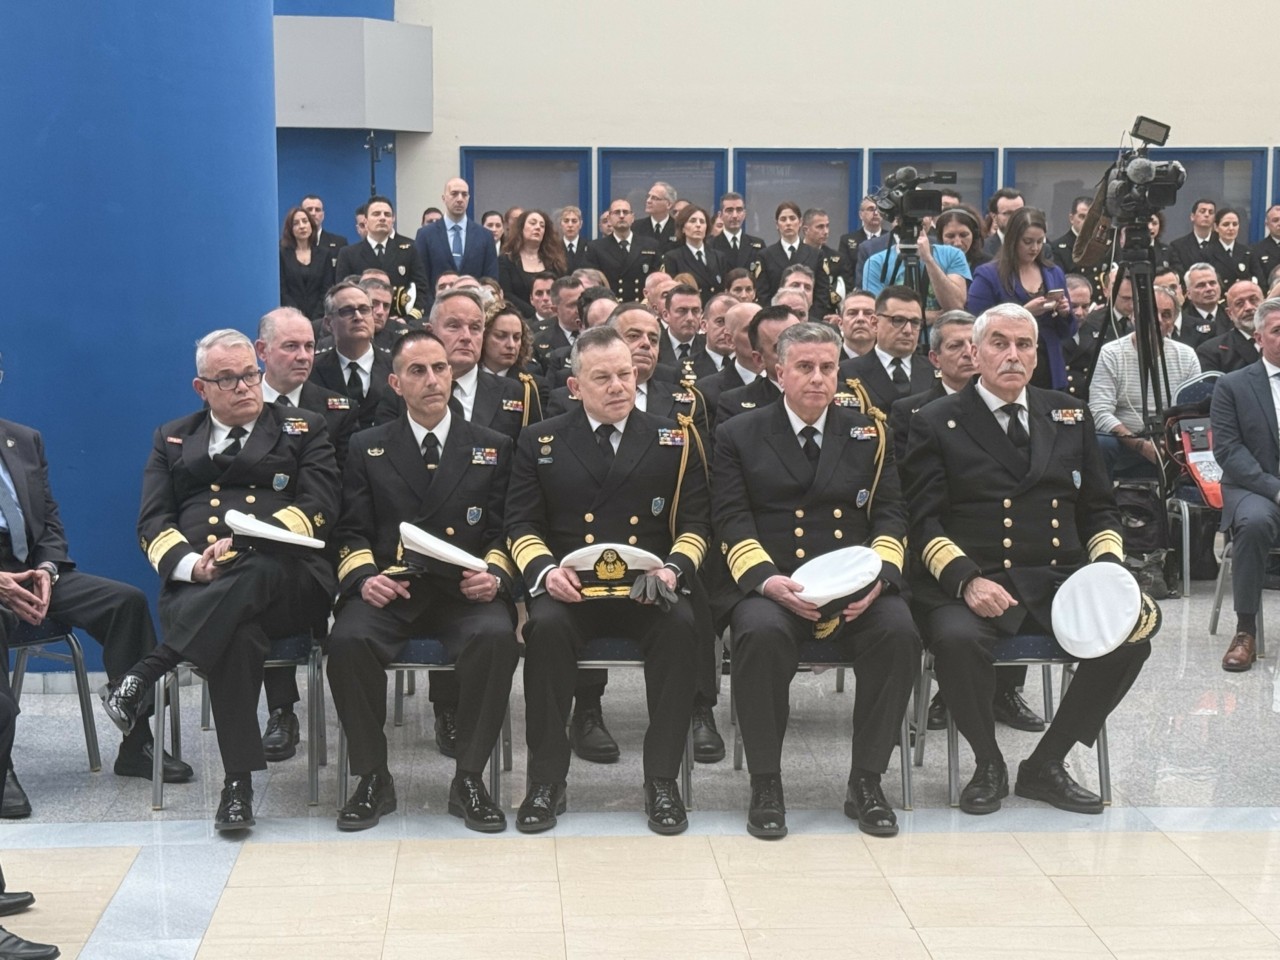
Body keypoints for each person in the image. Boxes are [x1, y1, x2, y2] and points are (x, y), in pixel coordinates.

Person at [902, 303, 1152, 816]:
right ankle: (988, 762)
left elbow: (1099, 509)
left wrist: (1106, 571)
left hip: (1057, 579)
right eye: (999, 343)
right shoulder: (936, 420)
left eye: (1024, 344)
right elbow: (922, 521)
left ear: (1037, 354)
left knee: (1132, 637)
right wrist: (966, 580)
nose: (1012, 355)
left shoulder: (1068, 413)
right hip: (973, 579)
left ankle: (1046, 762)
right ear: (975, 353)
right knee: (955, 640)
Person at [105, 329, 339, 831]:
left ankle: (149, 670)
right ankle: (237, 788)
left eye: (250, 374)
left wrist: (245, 543)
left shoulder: (303, 427)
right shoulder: (172, 437)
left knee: (258, 565)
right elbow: (152, 522)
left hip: (289, 582)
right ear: (201, 388)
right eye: (227, 379)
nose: (244, 387)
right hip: (202, 588)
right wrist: (195, 565)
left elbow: (320, 507)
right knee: (238, 634)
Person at [714, 321, 920, 838]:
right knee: (758, 634)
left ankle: (867, 780)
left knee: (899, 632)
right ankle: (766, 781)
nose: (817, 378)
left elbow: (890, 513)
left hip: (854, 585)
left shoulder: (868, 432)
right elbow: (731, 517)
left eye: (828, 368)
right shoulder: (739, 433)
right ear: (779, 371)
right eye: (804, 367)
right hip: (777, 582)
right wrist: (766, 580)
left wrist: (881, 578)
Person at [506, 325, 711, 834]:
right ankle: (546, 781)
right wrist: (545, 572)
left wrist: (672, 569)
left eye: (626, 374)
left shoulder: (674, 438)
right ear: (575, 387)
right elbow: (521, 524)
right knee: (544, 630)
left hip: (648, 588)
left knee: (682, 627)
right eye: (603, 378)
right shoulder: (540, 440)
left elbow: (696, 525)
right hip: (572, 589)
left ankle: (662, 780)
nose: (619, 386)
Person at [325, 331, 519, 831]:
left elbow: (505, 530)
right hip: (393, 588)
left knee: (497, 638)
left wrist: (495, 575)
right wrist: (364, 578)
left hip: (462, 591)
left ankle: (469, 778)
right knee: (346, 641)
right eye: (417, 371)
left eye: (440, 368)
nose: (432, 380)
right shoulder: (368, 446)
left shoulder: (492, 446)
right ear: (395, 383)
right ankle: (372, 777)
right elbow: (350, 530)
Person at [0, 404, 184, 814]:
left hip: (31, 567)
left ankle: (137, 742)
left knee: (125, 603)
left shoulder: (24, 439)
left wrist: (48, 568)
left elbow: (48, 520)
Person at [254, 306, 358, 759]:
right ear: (262, 351)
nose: (303, 356)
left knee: (282, 576)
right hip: (253, 542)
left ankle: (283, 707)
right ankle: (281, 710)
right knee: (261, 574)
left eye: (310, 346)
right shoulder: (237, 403)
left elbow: (343, 490)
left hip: (320, 541)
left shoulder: (335, 409)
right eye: (291, 346)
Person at [1210, 297, 1280, 672]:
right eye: (1277, 331)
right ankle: (1245, 631)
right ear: (1258, 337)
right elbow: (1228, 450)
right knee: (1254, 523)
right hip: (1253, 487)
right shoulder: (1233, 385)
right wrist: (1274, 488)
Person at [1089, 286, 1201, 480]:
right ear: (1134, 316)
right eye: (1151, 312)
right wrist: (1141, 445)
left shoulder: (1187, 355)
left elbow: (1193, 411)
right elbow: (1099, 411)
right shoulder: (1111, 353)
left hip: (1169, 441)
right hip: (1123, 440)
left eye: (1166, 315)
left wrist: (1168, 442)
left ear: (1173, 323)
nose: (1158, 320)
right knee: (1102, 442)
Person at [967, 207, 1074, 391]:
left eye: (1040, 241)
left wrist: (1065, 312)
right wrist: (1024, 312)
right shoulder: (988, 275)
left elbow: (1067, 332)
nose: (1035, 248)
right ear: (1013, 239)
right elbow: (976, 325)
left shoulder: (1053, 272)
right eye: (1028, 241)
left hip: (1049, 366)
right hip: (1006, 365)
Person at [309, 281, 393, 430]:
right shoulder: (312, 371)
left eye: (364, 309)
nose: (358, 317)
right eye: (347, 311)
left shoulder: (395, 367)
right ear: (328, 323)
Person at [838, 286, 937, 410]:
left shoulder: (935, 370)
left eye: (915, 322)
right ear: (875, 323)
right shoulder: (846, 372)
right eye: (898, 320)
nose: (908, 330)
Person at [335, 196, 429, 322]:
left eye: (387, 215)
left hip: (400, 322)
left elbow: (421, 288)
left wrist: (409, 318)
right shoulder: (348, 253)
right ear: (365, 221)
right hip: (362, 321)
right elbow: (343, 293)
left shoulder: (408, 250)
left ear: (393, 220)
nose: (383, 218)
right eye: (376, 214)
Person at [414, 178, 500, 302]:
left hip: (475, 306)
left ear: (468, 198)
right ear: (444, 198)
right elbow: (421, 278)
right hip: (437, 306)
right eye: (454, 194)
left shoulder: (484, 236)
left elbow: (490, 280)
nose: (460, 199)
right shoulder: (426, 235)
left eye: (464, 195)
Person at [860, 222, 970, 318]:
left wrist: (928, 259)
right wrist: (934, 316)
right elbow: (879, 316)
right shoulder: (876, 263)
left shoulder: (953, 254)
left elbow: (955, 307)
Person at [716, 305, 801, 423]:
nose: (798, 355)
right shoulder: (734, 403)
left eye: (801, 344)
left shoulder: (825, 394)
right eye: (781, 349)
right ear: (759, 359)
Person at [583, 199, 662, 302]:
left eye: (625, 212)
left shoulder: (650, 245)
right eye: (617, 212)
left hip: (641, 305)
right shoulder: (596, 248)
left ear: (632, 218)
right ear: (609, 218)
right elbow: (592, 284)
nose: (621, 216)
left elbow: (657, 282)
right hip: (610, 305)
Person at [697, 300, 762, 421]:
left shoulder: (784, 381)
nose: (758, 336)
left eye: (762, 329)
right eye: (749, 330)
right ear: (730, 340)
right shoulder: (706, 390)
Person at [499, 210, 567, 319]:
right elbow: (507, 294)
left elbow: (562, 291)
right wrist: (536, 315)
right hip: (519, 319)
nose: (538, 227)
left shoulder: (555, 262)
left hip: (552, 319)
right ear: (521, 228)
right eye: (533, 223)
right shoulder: (506, 261)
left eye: (542, 225)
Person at [753, 202, 824, 305]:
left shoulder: (816, 255)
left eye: (792, 218)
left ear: (800, 222)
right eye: (783, 219)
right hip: (776, 312)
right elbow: (763, 294)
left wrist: (807, 314)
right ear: (777, 225)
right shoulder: (765, 255)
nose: (788, 223)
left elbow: (822, 294)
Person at [662, 204, 726, 303]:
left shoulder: (718, 256)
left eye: (702, 222)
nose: (698, 225)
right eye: (692, 221)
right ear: (683, 228)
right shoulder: (673, 257)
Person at [1197, 280, 1265, 373]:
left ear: (1265, 304)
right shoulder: (1211, 351)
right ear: (1230, 313)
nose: (1248, 307)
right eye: (1239, 304)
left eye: (1253, 300)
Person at [279, 206, 333, 321]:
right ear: (290, 229)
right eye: (296, 223)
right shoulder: (282, 254)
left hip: (319, 318)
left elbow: (327, 289)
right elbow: (283, 291)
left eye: (305, 221)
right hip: (291, 317)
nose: (302, 226)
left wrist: (316, 317)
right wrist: (298, 316)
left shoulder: (324, 254)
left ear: (311, 225)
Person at [658, 283, 717, 381]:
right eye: (682, 311)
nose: (690, 318)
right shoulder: (654, 346)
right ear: (666, 315)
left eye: (695, 311)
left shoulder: (709, 346)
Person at [711, 192, 765, 271]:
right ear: (720, 215)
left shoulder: (758, 245)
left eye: (739, 210)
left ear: (744, 214)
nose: (735, 215)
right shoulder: (710, 246)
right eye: (729, 210)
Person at [1179, 262, 1227, 346]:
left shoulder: (1230, 314)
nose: (1209, 289)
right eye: (1201, 285)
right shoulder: (1183, 322)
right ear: (1188, 294)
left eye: (1212, 283)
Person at [1168, 198, 1218, 279]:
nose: (1207, 215)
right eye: (1202, 211)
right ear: (1192, 216)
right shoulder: (1178, 246)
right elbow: (1179, 274)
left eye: (1211, 212)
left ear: (1214, 218)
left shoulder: (1220, 242)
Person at [1205, 207, 1254, 290]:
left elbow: (1258, 279)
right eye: (1226, 224)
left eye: (1235, 224)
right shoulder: (1206, 253)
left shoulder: (1248, 252)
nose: (1231, 228)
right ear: (1216, 227)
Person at [936, 205, 992, 277]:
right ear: (941, 237)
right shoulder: (932, 264)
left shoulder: (990, 265)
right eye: (950, 236)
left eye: (964, 235)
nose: (957, 243)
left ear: (975, 234)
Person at [1049, 196, 1091, 276]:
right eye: (1082, 217)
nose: (1087, 222)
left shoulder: (1103, 247)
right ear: (1071, 218)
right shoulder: (1057, 248)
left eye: (1091, 218)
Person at [301, 195, 348, 263]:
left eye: (317, 210)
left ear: (323, 215)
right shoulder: (289, 244)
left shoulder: (340, 243)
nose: (313, 213)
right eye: (309, 209)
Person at [634, 181, 679, 251]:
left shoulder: (679, 228)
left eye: (654, 198)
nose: (648, 201)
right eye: (648, 196)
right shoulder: (635, 227)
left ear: (669, 204)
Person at [981, 188, 1025, 256]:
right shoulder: (982, 249)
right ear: (994, 216)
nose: (1015, 217)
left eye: (1019, 212)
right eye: (1008, 213)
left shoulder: (1038, 248)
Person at [837, 290, 877, 361]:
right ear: (840, 323)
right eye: (852, 313)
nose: (860, 318)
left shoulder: (891, 363)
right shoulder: (828, 360)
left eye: (868, 313)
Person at [1249, 204, 1280, 286]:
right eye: (1275, 220)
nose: (1279, 223)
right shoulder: (1256, 251)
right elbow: (1260, 281)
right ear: (1267, 224)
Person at [560, 205, 589, 270]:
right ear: (561, 224)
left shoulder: (589, 247)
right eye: (566, 221)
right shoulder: (554, 248)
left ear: (580, 224)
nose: (570, 225)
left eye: (574, 221)